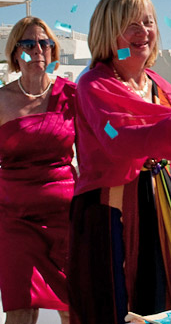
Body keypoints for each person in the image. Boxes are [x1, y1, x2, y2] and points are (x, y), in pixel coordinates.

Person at [68, 0, 171, 323]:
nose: (143, 32)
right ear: (109, 33)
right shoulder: (93, 85)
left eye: (148, 22)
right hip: (111, 213)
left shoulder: (160, 85)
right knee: (117, 305)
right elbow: (119, 139)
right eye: (130, 25)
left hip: (163, 206)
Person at [0, 18, 75, 324]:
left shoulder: (71, 95)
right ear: (16, 53)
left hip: (66, 218)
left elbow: (98, 147)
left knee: (74, 307)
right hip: (15, 219)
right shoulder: (2, 100)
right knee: (20, 309)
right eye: (29, 44)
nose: (39, 50)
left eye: (45, 43)